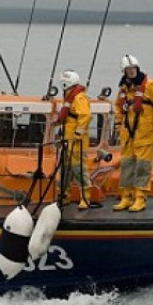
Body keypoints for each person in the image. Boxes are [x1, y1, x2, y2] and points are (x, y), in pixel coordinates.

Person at [112, 54, 153, 212]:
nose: (131, 71)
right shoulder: (124, 89)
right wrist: (118, 125)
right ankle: (126, 196)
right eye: (128, 69)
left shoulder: (150, 86)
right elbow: (118, 107)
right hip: (128, 134)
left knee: (143, 167)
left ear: (137, 68)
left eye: (133, 68)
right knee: (126, 165)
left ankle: (140, 197)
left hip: (146, 133)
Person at [57, 69, 100, 210]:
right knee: (65, 169)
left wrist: (78, 133)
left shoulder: (79, 98)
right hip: (67, 139)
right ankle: (64, 195)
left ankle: (85, 197)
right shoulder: (68, 96)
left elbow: (85, 116)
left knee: (79, 169)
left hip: (76, 141)